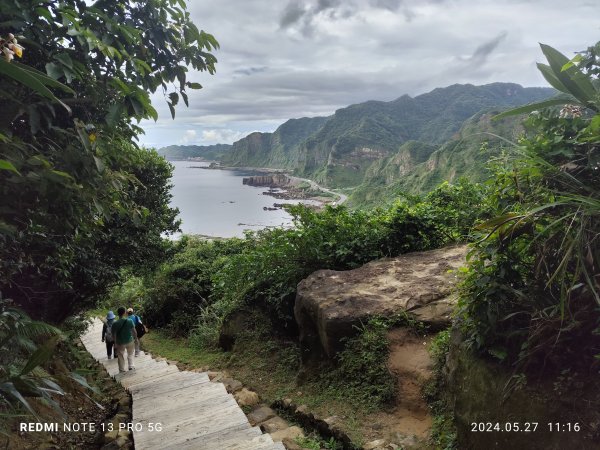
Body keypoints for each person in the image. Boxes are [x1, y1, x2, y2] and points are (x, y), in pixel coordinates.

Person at [111, 306, 137, 373]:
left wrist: (115, 343)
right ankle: (131, 366)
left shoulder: (115, 324)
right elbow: (134, 331)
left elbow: (113, 335)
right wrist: (135, 338)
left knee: (120, 356)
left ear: (118, 313)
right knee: (130, 354)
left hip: (120, 342)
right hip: (129, 340)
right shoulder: (130, 321)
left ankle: (122, 370)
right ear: (125, 313)